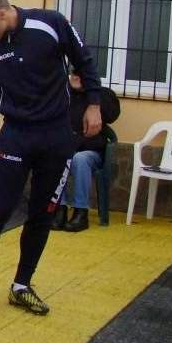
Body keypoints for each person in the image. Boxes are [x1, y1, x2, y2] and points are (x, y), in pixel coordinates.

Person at [0, 0, 101, 315]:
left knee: (42, 213)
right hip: (15, 137)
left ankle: (21, 285)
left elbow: (84, 61)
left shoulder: (50, 23)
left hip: (56, 136)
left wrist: (94, 105)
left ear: (3, 14)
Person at [54, 71, 120, 232]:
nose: (76, 76)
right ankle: (59, 209)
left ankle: (80, 213)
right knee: (56, 157)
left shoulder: (101, 95)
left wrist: (92, 91)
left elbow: (112, 114)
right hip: (67, 147)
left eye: (80, 73)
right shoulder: (63, 94)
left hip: (92, 151)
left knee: (80, 159)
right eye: (73, 73)